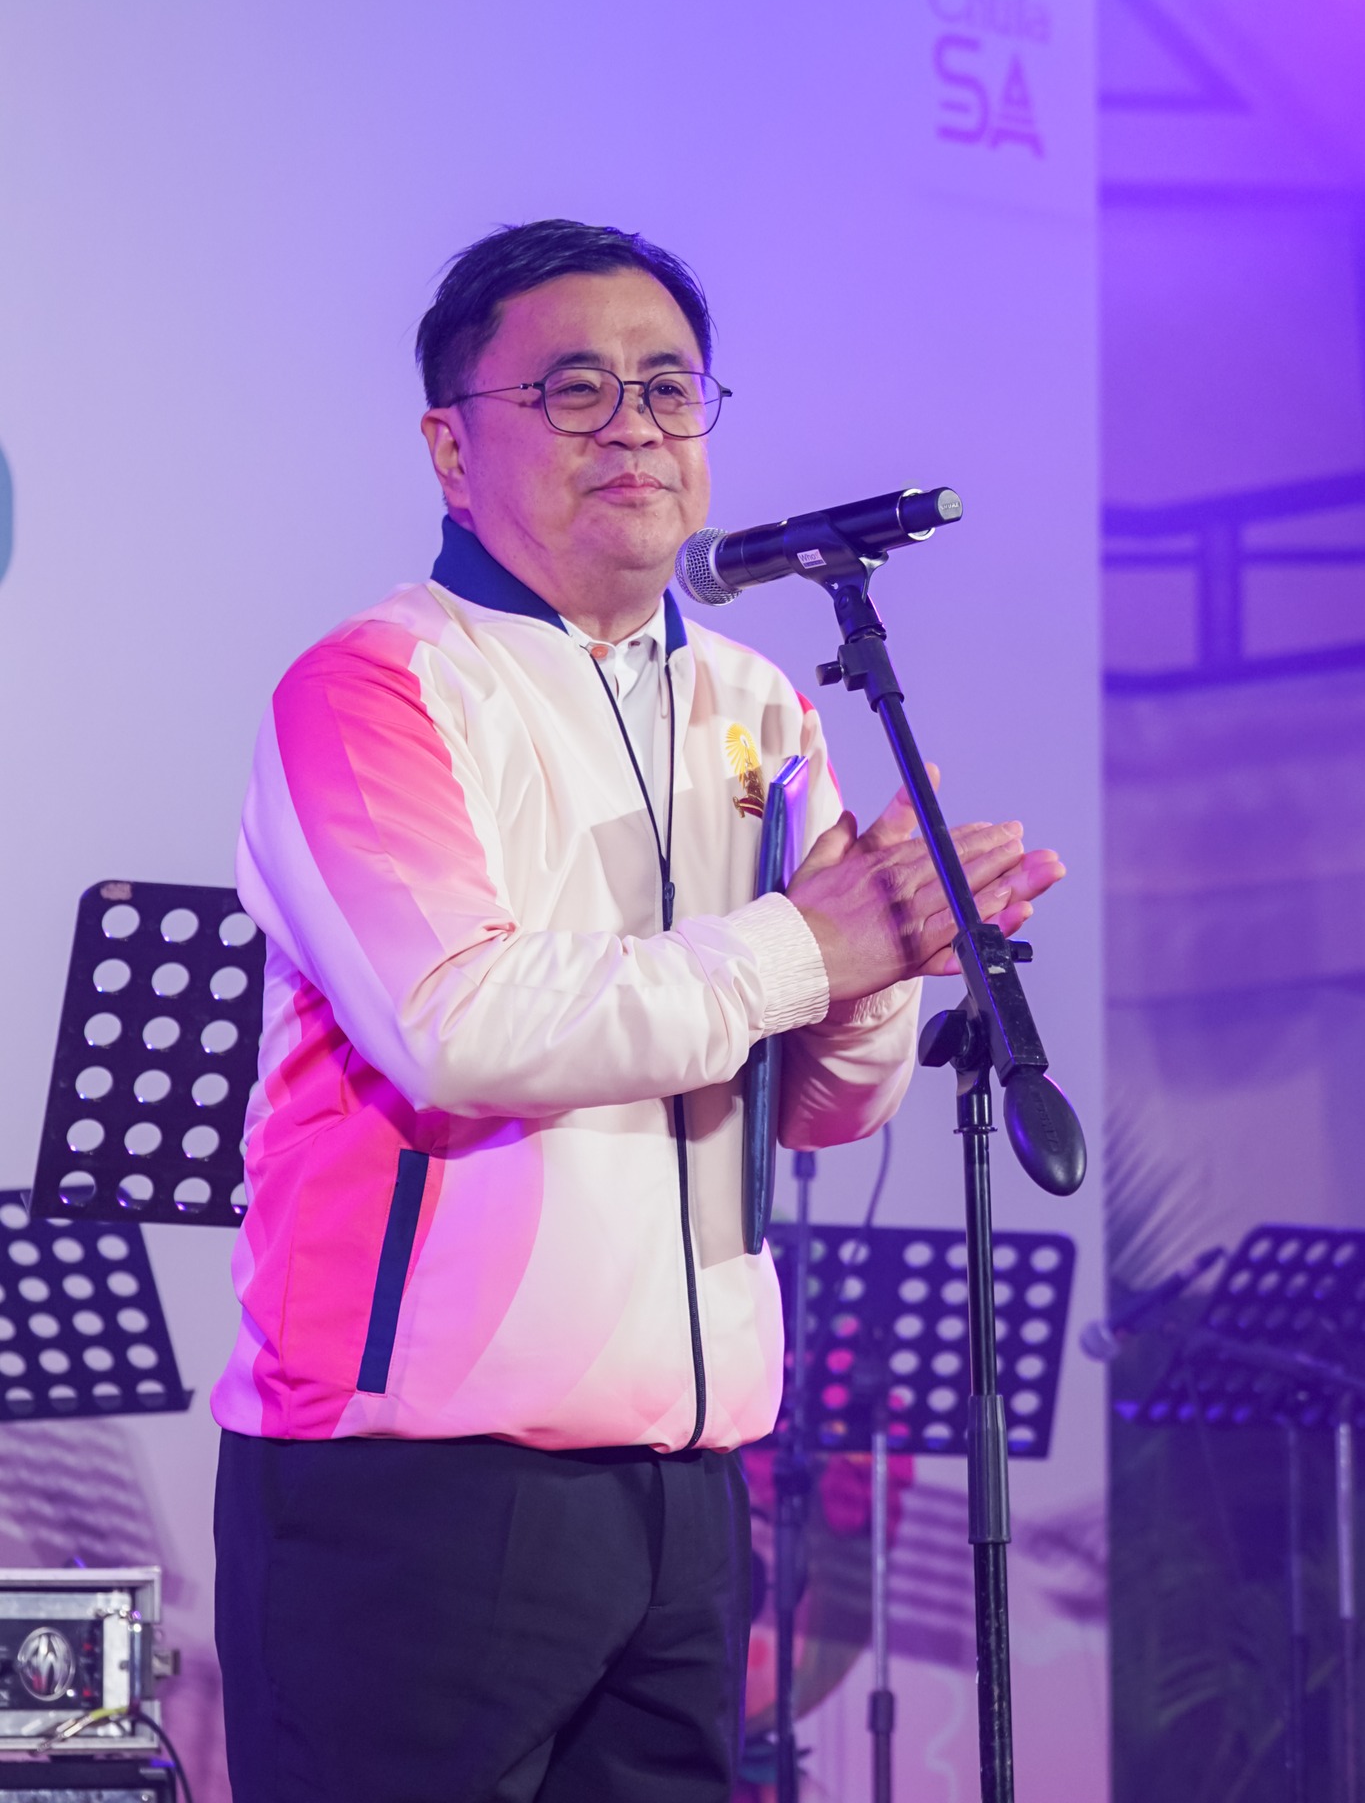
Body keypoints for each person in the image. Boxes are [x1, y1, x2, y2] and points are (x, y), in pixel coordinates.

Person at [211, 219, 1063, 1802]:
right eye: (574, 391)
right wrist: (808, 946)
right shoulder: (378, 685)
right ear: (450, 447)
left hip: (686, 1484)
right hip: (410, 1484)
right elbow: (460, 1024)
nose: (634, 431)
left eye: (667, 390)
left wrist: (877, 967)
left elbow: (820, 1109)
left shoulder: (755, 704)